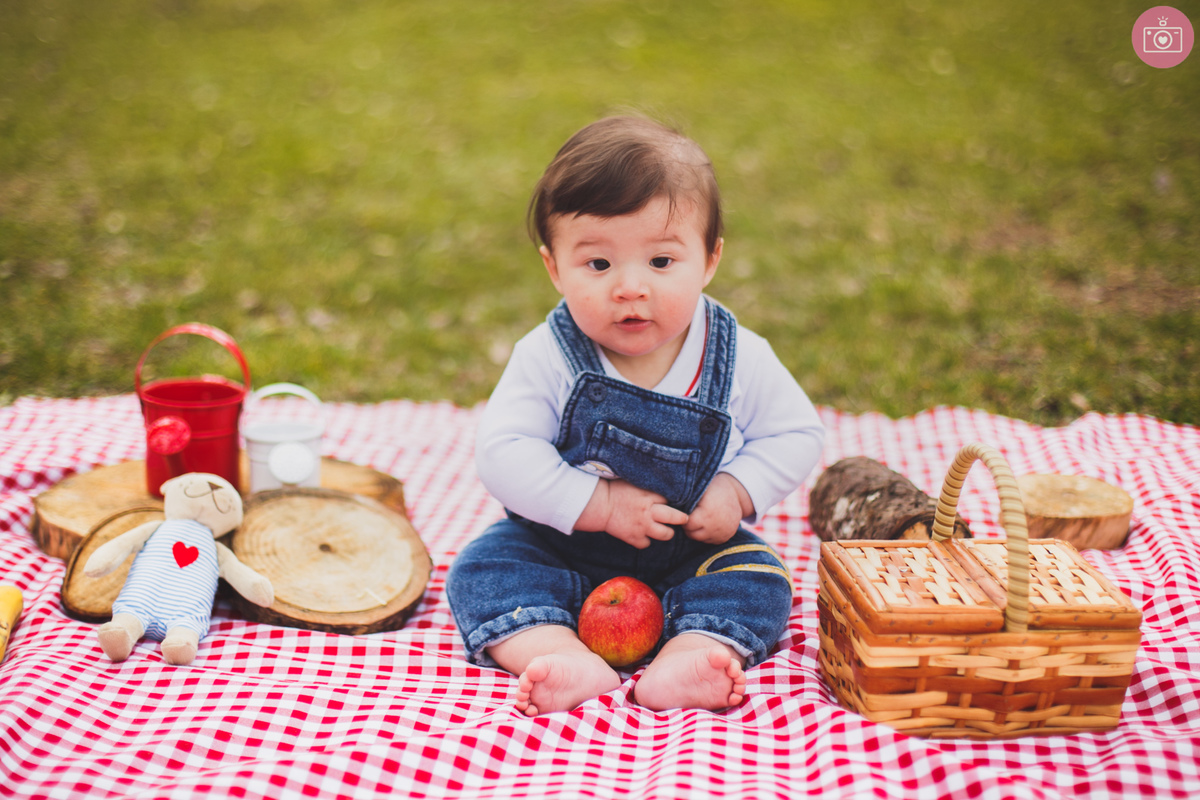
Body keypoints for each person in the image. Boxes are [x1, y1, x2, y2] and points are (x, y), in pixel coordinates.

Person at [446, 116, 825, 715]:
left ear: (709, 260)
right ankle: (560, 652)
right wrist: (597, 505)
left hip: (687, 547)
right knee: (482, 569)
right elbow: (504, 450)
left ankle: (689, 657)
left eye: (660, 262)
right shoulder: (548, 355)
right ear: (554, 268)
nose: (629, 287)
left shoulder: (736, 355)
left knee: (760, 576)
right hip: (559, 543)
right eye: (598, 265)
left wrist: (735, 491)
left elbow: (795, 432)